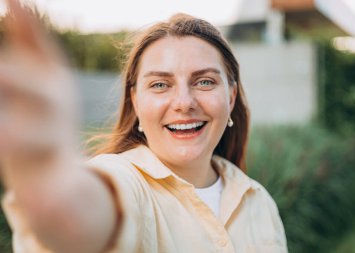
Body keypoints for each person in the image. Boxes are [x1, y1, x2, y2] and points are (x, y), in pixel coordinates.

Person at [0, 0, 288, 252]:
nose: (184, 102)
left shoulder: (259, 201)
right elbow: (86, 215)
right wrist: (51, 181)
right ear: (136, 102)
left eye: (204, 82)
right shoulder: (124, 181)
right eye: (160, 84)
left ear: (231, 96)